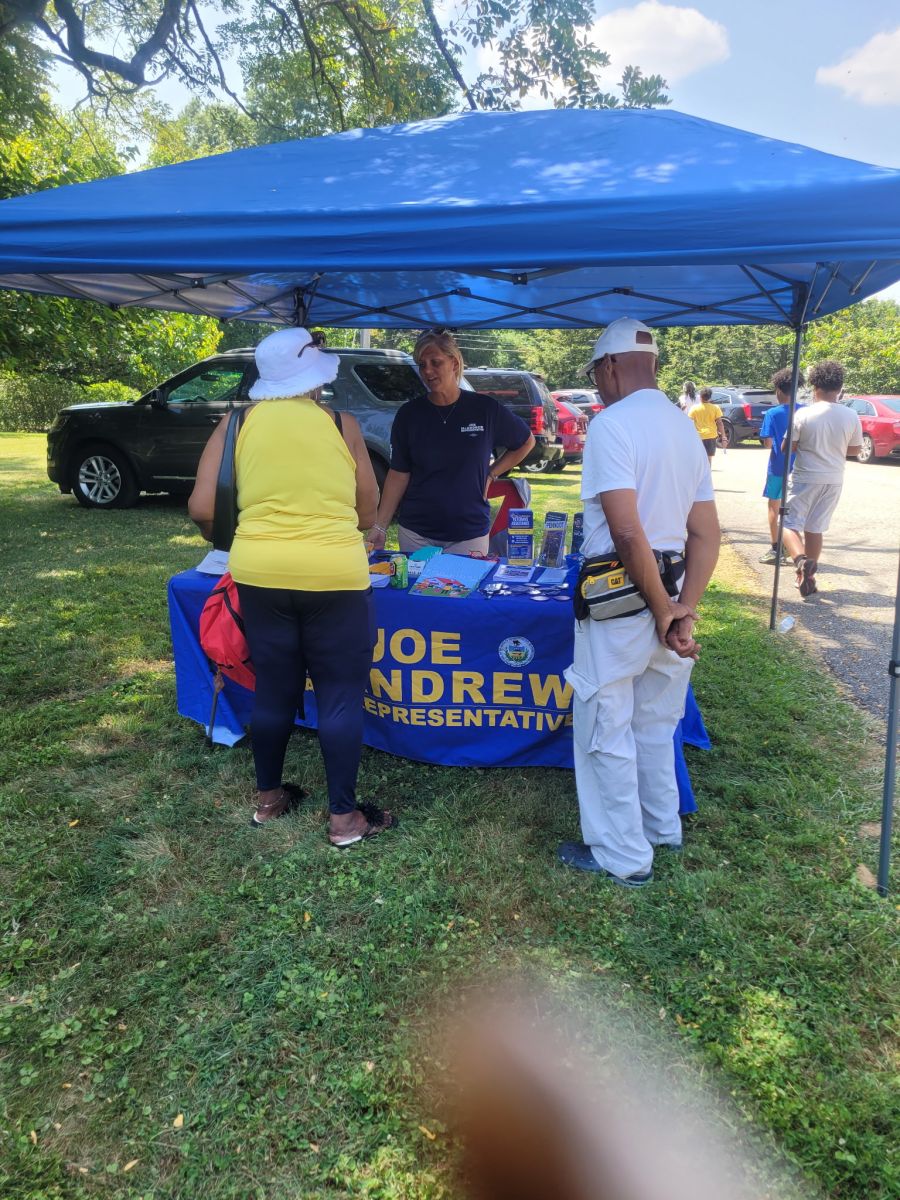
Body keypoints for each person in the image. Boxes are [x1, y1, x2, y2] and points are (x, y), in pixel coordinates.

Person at [189, 327, 394, 847]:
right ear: (315, 380)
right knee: (340, 696)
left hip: (259, 573)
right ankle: (344, 821)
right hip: (336, 576)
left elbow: (202, 508)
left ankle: (269, 800)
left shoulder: (235, 422)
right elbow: (366, 512)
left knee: (274, 688)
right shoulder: (341, 424)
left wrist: (246, 536)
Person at [559, 318, 721, 887]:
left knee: (606, 725)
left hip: (623, 600)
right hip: (672, 590)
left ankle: (622, 855)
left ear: (608, 367)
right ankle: (661, 827)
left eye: (595, 375)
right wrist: (682, 609)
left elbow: (627, 533)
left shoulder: (612, 425)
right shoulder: (685, 427)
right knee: (655, 723)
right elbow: (706, 533)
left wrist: (661, 609)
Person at [369, 329, 535, 554]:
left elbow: (526, 441)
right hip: (416, 534)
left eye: (435, 362)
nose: (427, 371)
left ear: (454, 363)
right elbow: (398, 474)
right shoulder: (409, 415)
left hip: (469, 533)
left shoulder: (484, 409)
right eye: (422, 365)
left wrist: (492, 474)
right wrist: (380, 526)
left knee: (467, 579)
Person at [780, 360, 862, 597]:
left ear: (814, 386)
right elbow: (855, 449)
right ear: (840, 388)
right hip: (834, 478)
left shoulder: (804, 413)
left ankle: (801, 561)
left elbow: (787, 446)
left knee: (787, 524)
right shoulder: (851, 415)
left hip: (806, 476)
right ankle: (808, 577)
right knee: (815, 527)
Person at [758, 366, 805, 565]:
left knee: (774, 506)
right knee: (797, 509)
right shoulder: (805, 411)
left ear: (778, 389)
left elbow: (768, 443)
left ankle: (776, 548)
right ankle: (798, 549)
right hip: (801, 469)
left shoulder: (772, 413)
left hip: (778, 467)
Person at [688, 387, 727, 458]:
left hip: (698, 436)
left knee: (699, 457)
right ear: (710, 397)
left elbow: (688, 421)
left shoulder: (694, 408)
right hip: (711, 435)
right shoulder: (715, 408)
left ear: (700, 397)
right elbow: (720, 423)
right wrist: (724, 436)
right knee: (709, 457)